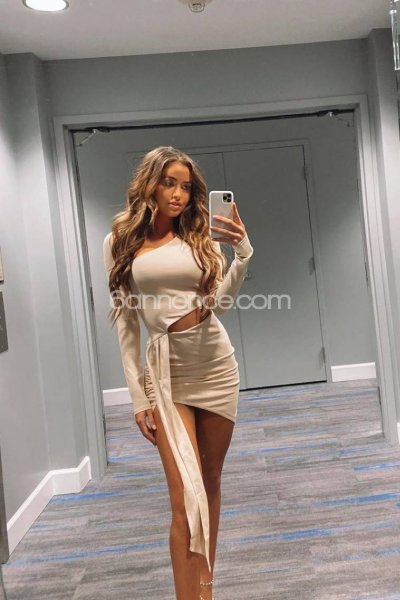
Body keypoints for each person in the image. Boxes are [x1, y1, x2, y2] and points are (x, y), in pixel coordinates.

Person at [103, 146, 254, 600]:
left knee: (209, 483)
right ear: (149, 183)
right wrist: (138, 397)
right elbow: (126, 323)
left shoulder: (200, 234)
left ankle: (205, 589)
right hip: (165, 373)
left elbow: (219, 304)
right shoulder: (119, 240)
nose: (178, 194)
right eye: (169, 182)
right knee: (184, 498)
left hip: (215, 365)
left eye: (186, 187)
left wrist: (242, 254)